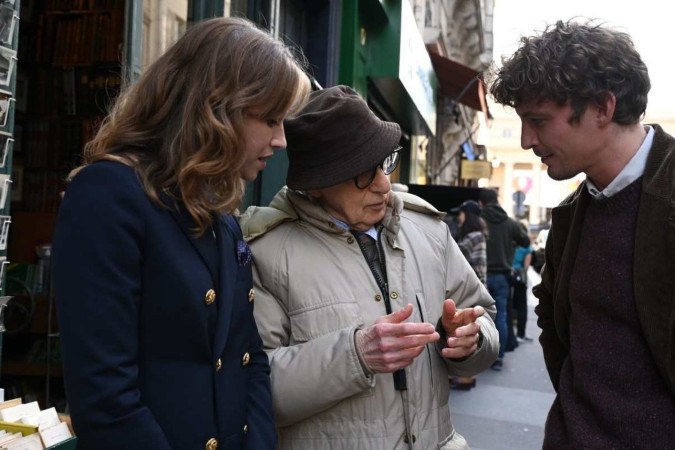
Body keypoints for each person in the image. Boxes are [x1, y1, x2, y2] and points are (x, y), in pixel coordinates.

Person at [52, 17, 310, 450]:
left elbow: (250, 362)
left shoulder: (221, 219)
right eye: (269, 119)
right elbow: (107, 400)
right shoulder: (108, 195)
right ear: (214, 108)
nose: (281, 140)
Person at [240, 85, 498, 449]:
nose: (383, 184)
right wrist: (354, 355)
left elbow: (483, 316)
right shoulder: (265, 252)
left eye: (383, 162)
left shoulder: (429, 230)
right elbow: (255, 386)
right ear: (316, 186)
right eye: (361, 173)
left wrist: (470, 341)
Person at [490, 19, 675, 448]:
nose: (525, 140)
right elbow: (554, 321)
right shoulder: (572, 214)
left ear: (603, 108)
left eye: (538, 120)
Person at [478, 188, 530, 370]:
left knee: (477, 316)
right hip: (502, 277)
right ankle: (498, 357)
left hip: (479, 276)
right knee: (500, 316)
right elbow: (526, 242)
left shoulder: (478, 220)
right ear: (497, 201)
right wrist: (511, 243)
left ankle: (479, 356)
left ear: (481, 203)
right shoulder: (510, 223)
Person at [448, 199, 489, 390]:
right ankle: (465, 377)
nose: (459, 218)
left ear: (469, 215)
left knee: (467, 331)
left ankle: (466, 378)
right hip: (473, 288)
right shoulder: (478, 234)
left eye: (461, 214)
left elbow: (456, 255)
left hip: (470, 290)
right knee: (467, 331)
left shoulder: (473, 236)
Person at [511, 223, 533, 342]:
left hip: (509, 275)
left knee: (510, 304)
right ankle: (520, 334)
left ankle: (511, 334)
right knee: (522, 306)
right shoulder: (527, 246)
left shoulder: (513, 242)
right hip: (520, 278)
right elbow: (526, 266)